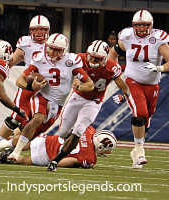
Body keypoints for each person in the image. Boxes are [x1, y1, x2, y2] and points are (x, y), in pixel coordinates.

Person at [4, 33, 94, 163]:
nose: (51, 52)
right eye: (50, 48)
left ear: (63, 50)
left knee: (34, 134)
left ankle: (2, 145)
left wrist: (79, 87)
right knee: (38, 118)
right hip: (43, 95)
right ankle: (15, 153)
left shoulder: (71, 61)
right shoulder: (39, 58)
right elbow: (19, 80)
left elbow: (90, 84)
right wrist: (31, 87)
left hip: (58, 103)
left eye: (56, 49)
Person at [109, 10, 169, 169]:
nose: (140, 28)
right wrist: (115, 73)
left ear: (151, 25)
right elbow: (113, 54)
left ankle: (136, 151)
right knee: (140, 114)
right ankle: (140, 150)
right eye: (138, 25)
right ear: (133, 26)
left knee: (146, 118)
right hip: (132, 81)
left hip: (152, 84)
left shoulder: (158, 39)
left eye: (144, 25)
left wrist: (158, 67)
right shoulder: (127, 36)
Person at [46, 40, 129, 172]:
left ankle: (56, 161)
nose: (93, 61)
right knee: (62, 133)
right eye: (91, 57)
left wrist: (123, 96)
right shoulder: (79, 59)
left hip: (93, 102)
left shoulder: (111, 67)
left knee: (79, 130)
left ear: (105, 58)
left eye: (97, 59)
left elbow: (125, 89)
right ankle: (68, 146)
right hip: (77, 97)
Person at [0, 15, 50, 160]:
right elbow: (11, 62)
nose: (39, 33)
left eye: (42, 29)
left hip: (47, 89)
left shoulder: (53, 43)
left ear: (48, 30)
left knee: (35, 122)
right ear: (30, 30)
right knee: (18, 115)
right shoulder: (25, 43)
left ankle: (8, 145)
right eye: (36, 29)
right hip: (28, 84)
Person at [0, 126, 116, 169]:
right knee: (24, 159)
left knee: (24, 143)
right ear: (101, 145)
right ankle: (10, 158)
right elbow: (65, 162)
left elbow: (70, 131)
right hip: (48, 155)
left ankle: (7, 144)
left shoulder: (89, 130)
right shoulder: (90, 158)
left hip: (50, 140)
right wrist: (54, 162)